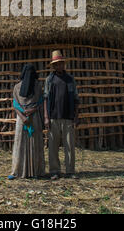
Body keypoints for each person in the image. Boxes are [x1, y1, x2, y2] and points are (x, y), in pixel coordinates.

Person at [44, 50, 80, 180]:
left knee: (69, 145)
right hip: (53, 117)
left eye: (61, 64)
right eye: (57, 64)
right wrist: (46, 117)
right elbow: (46, 99)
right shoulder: (49, 80)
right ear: (53, 66)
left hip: (68, 116)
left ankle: (70, 171)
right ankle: (54, 170)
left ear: (64, 64)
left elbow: (76, 99)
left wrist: (76, 116)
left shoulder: (70, 80)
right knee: (53, 146)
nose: (59, 66)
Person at [8, 63, 45, 179]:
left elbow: (40, 102)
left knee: (35, 143)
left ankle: (36, 171)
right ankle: (18, 171)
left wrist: (32, 110)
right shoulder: (17, 88)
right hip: (22, 119)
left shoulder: (38, 87)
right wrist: (23, 116)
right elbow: (15, 104)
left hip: (33, 118)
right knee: (20, 144)